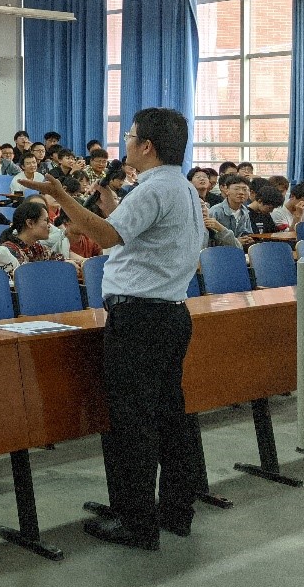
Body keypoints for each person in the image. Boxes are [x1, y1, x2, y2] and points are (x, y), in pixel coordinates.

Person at [19, 106, 203, 551]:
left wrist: (60, 196)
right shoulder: (181, 187)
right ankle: (174, 511)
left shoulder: (152, 188)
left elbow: (104, 238)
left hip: (139, 318)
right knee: (169, 416)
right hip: (170, 313)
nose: (126, 143)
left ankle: (137, 522)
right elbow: (146, 237)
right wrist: (115, 211)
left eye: (131, 136)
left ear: (147, 146)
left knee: (133, 421)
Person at [0, 200, 66, 266]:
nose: (49, 226)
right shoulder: (9, 251)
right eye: (46, 220)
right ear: (30, 223)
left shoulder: (36, 248)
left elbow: (60, 260)